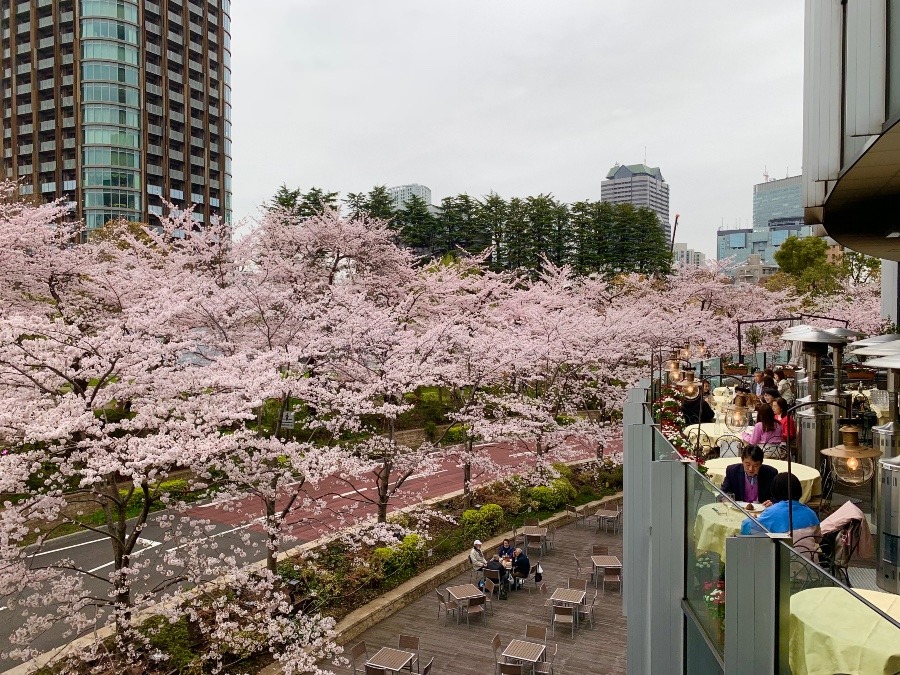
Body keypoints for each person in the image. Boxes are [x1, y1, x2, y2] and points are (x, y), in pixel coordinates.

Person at [741, 472, 820, 535]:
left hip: (780, 554)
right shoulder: (811, 513)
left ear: (775, 491)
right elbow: (818, 538)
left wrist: (753, 518)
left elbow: (747, 528)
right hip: (808, 554)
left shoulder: (771, 512)